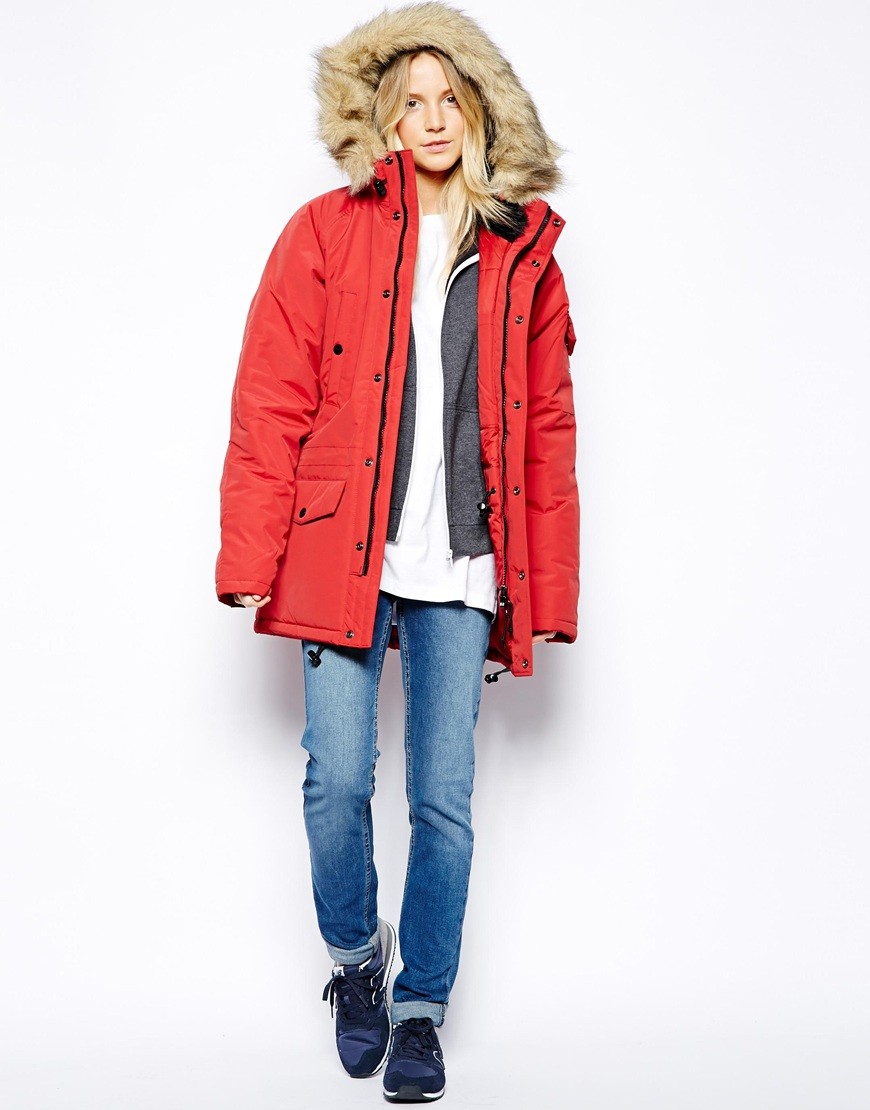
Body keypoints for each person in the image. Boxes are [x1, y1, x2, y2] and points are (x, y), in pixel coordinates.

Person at [215, 2, 579, 1101]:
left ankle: (420, 1009)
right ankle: (355, 963)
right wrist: (249, 557)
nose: (432, 119)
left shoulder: (522, 255)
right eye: (411, 101)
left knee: (443, 804)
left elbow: (547, 432)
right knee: (336, 783)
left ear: (481, 111)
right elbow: (271, 395)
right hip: (343, 556)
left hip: (461, 567)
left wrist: (550, 592)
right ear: (381, 118)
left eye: (449, 98)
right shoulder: (325, 233)